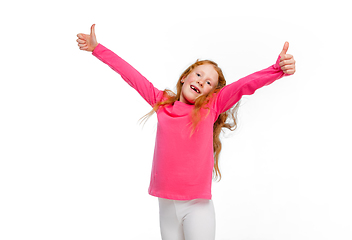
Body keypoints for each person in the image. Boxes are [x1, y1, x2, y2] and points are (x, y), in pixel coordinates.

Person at [76, 24, 296, 240]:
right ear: (185, 77)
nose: (201, 81)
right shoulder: (161, 103)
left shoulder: (212, 107)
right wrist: (97, 49)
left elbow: (244, 85)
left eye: (209, 82)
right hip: (166, 204)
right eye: (199, 75)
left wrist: (277, 70)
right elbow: (131, 75)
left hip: (197, 207)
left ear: (212, 92)